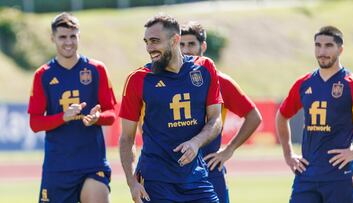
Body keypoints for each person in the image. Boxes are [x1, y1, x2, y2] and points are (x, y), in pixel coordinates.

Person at [119, 14, 223, 203]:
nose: (149, 48)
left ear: (175, 40)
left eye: (155, 41)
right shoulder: (138, 79)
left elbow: (216, 120)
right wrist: (131, 182)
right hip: (156, 181)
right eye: (147, 42)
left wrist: (196, 142)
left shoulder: (205, 68)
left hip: (196, 178)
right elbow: (126, 138)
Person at [28, 12, 116, 203]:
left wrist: (97, 118)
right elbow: (35, 123)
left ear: (78, 36)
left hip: (92, 163)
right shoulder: (43, 74)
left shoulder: (96, 69)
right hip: (58, 166)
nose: (68, 42)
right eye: (62, 37)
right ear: (53, 38)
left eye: (72, 36)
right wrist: (62, 117)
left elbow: (111, 114)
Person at [180, 21, 262, 203]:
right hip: (174, 171)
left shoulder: (220, 81)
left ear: (203, 46)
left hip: (209, 168)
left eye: (191, 44)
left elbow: (254, 116)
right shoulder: (166, 82)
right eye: (181, 44)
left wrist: (228, 150)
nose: (186, 50)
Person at [276, 25, 353, 203]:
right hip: (306, 175)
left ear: (340, 49)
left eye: (329, 46)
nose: (322, 51)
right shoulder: (304, 83)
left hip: (340, 176)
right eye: (318, 45)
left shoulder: (352, 84)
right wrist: (288, 155)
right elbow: (282, 116)